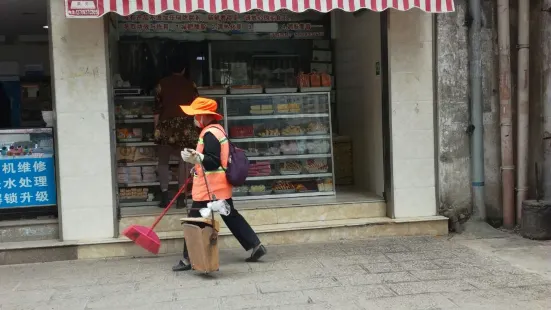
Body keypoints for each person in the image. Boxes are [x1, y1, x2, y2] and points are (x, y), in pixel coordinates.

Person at [172, 97, 267, 271]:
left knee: (194, 220)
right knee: (231, 217)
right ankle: (255, 245)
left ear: (204, 115)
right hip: (219, 188)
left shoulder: (209, 134)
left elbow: (213, 161)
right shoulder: (218, 130)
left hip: (209, 189)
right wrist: (197, 166)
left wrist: (196, 157)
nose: (194, 118)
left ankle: (187, 259)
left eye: (195, 115)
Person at [153, 58, 198, 208]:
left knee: (163, 162)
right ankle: (181, 197)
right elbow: (197, 107)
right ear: (184, 69)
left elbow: (157, 109)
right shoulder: (190, 84)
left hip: (166, 126)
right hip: (185, 127)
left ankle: (165, 196)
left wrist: (156, 128)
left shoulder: (162, 84)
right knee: (184, 162)